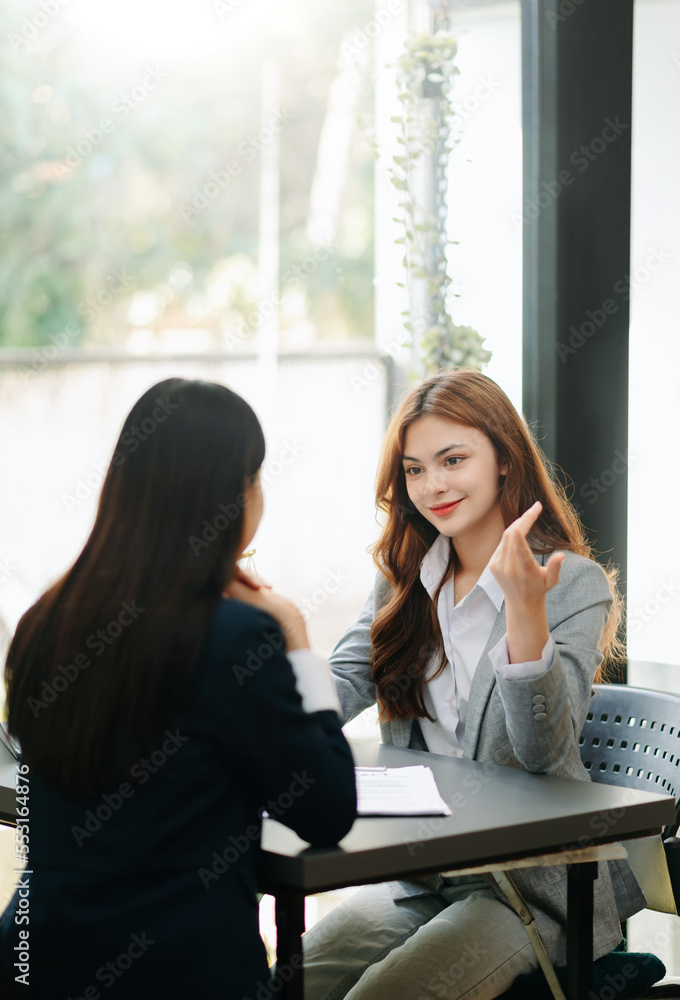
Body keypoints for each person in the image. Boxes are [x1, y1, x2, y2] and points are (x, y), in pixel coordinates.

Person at [0, 377, 356, 1000]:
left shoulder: (44, 622)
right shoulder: (235, 636)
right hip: (178, 974)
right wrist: (296, 639)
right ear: (232, 495)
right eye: (257, 479)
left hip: (35, 961)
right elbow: (326, 810)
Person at [302, 369, 644, 1000]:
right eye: (414, 469)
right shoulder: (405, 582)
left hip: (532, 891)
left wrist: (524, 615)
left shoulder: (570, 583)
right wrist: (267, 650)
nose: (433, 485)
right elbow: (336, 685)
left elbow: (543, 753)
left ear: (505, 461)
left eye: (452, 459)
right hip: (419, 876)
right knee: (288, 978)